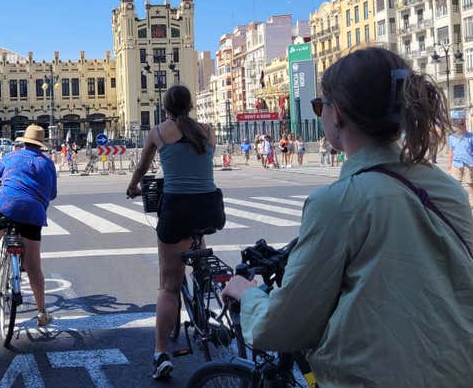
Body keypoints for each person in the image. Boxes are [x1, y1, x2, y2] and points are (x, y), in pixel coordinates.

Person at [222, 47, 473, 387]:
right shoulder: (446, 188)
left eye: (319, 105)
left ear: (336, 114)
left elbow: (283, 327)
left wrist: (248, 294)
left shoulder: (339, 202)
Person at [125, 85, 222, 380]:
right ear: (191, 105)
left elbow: (143, 168)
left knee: (169, 285)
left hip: (177, 209)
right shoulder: (207, 131)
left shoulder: (157, 132)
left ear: (165, 107)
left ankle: (160, 353)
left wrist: (132, 187)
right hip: (210, 208)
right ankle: (204, 282)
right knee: (197, 237)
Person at [0, 124, 58, 326]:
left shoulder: (12, 156)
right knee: (34, 265)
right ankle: (42, 313)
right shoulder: (47, 164)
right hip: (33, 212)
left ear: (23, 141)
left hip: (5, 204)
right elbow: (52, 194)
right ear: (41, 144)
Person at [448, 109, 473, 205]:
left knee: (470, 183)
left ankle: (471, 201)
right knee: (456, 184)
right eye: (456, 125)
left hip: (469, 164)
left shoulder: (471, 136)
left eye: (461, 124)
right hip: (456, 164)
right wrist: (449, 166)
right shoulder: (451, 138)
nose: (458, 127)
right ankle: (458, 201)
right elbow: (451, 152)